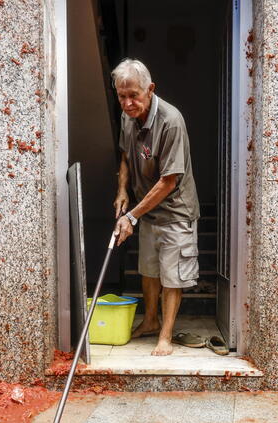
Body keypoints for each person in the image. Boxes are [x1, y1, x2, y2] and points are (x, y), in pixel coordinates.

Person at [111, 59, 199, 356]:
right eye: (122, 96)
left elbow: (169, 181)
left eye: (134, 95)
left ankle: (166, 335)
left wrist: (132, 216)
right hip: (147, 210)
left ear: (150, 90)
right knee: (149, 271)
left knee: (171, 275)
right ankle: (149, 321)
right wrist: (122, 191)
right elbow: (125, 156)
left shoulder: (171, 121)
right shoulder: (127, 116)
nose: (128, 103)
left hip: (175, 211)